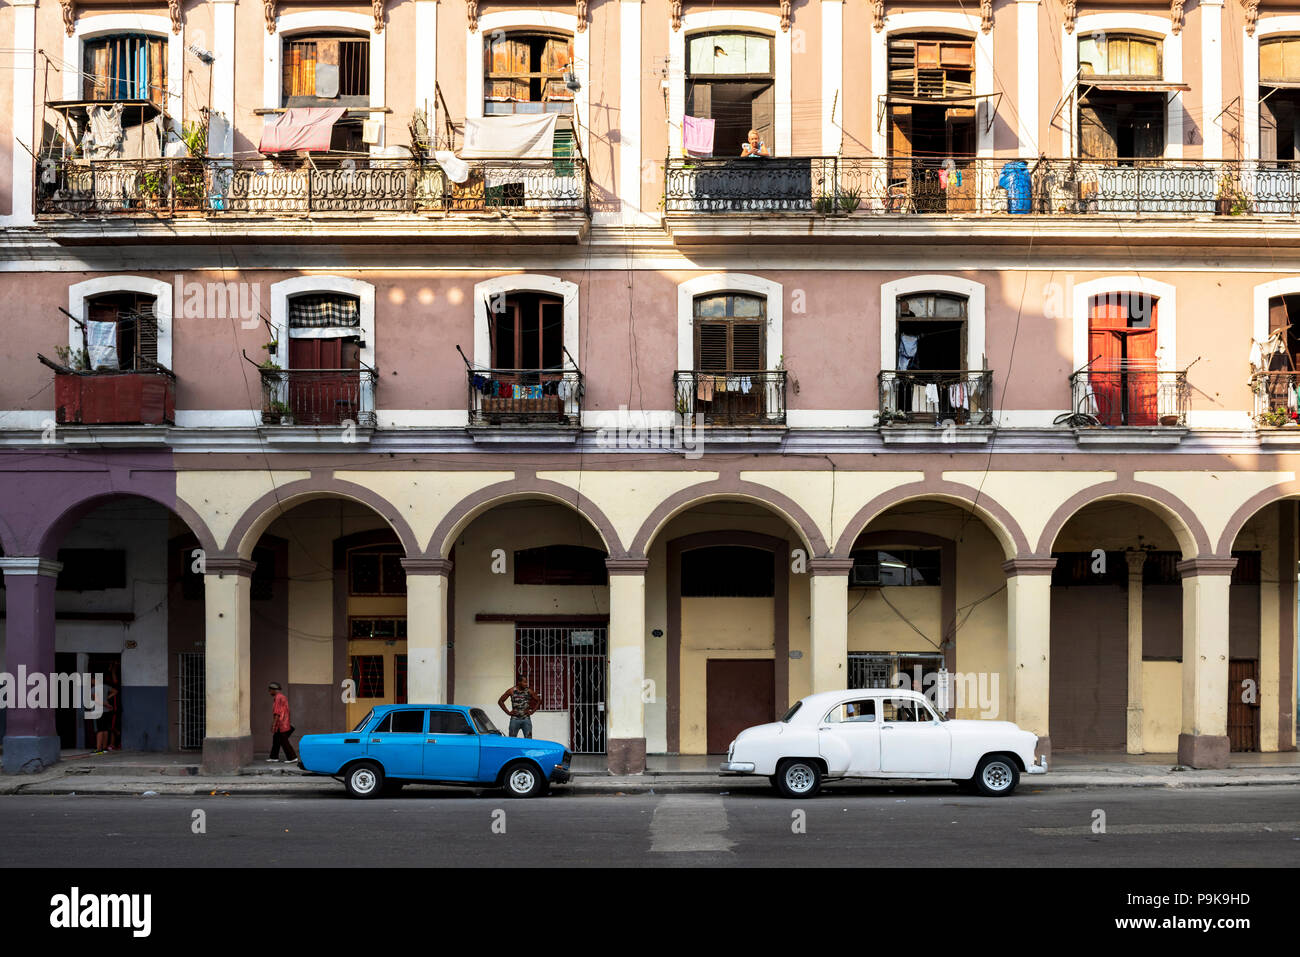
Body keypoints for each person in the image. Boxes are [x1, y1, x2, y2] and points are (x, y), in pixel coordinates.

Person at [267, 682, 296, 762]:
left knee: (283, 740)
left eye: (269, 690)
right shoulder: (282, 697)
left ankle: (292, 757)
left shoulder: (277, 698)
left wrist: (273, 724)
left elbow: (277, 712)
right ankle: (274, 757)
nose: (269, 692)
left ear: (273, 690)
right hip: (284, 722)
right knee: (276, 739)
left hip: (281, 724)